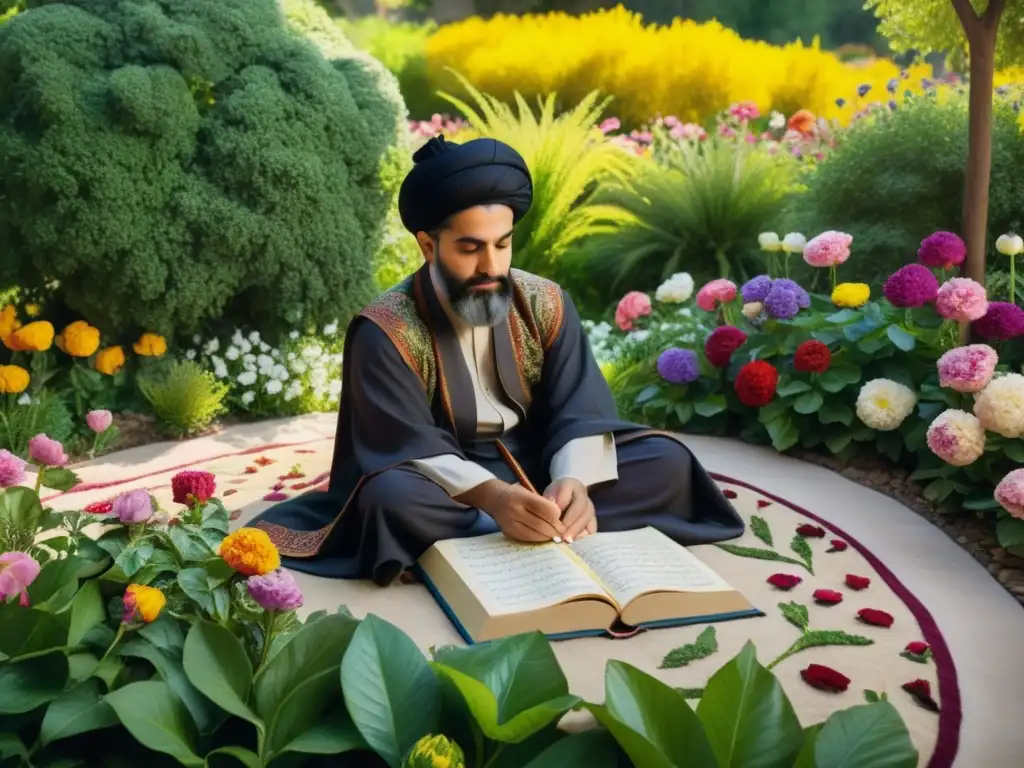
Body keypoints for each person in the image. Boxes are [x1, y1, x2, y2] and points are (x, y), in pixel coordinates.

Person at [251, 135, 745, 585]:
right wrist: (493, 497)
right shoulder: (386, 329)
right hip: (442, 481)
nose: (491, 266)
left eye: (502, 245)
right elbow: (402, 441)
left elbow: (579, 407)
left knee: (668, 463)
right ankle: (511, 523)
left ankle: (543, 518)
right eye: (470, 248)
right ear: (428, 245)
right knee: (391, 501)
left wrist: (572, 480)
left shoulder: (545, 302)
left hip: (539, 459)